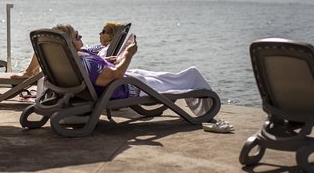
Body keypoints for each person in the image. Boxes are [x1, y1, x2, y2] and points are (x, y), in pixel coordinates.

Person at [54, 24, 216, 116]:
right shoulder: (84, 61)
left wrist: (104, 60)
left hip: (128, 80)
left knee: (165, 77)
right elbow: (112, 76)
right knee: (182, 80)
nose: (81, 38)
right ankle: (204, 100)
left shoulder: (67, 59)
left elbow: (101, 72)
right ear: (69, 42)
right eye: (77, 36)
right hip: (127, 87)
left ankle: (193, 83)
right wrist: (129, 54)